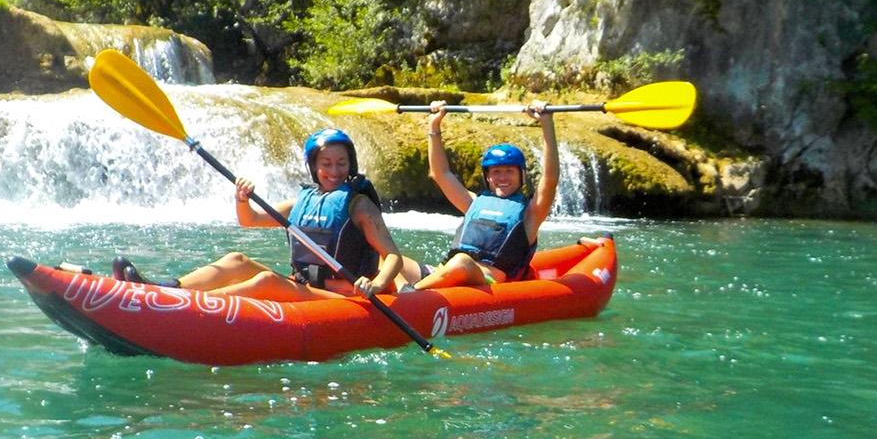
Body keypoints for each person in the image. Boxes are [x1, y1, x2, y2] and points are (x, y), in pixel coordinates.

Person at [114, 128, 403, 301]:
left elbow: (393, 257)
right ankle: (165, 289)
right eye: (326, 163)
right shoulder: (302, 201)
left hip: (343, 296)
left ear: (350, 164)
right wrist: (241, 198)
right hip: (304, 287)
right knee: (235, 260)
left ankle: (185, 304)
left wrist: (376, 284)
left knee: (266, 281)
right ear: (314, 166)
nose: (334, 171)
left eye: (341, 163)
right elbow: (248, 219)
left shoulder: (359, 205)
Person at [400, 99, 558, 290]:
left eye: (510, 171)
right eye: (496, 172)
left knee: (461, 263)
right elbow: (440, 173)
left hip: (484, 280)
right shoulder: (473, 202)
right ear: (487, 177)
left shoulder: (531, 214)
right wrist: (434, 124)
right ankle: (398, 294)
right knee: (388, 260)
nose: (502, 178)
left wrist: (546, 123)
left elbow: (550, 178)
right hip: (444, 273)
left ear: (521, 175)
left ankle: (410, 294)